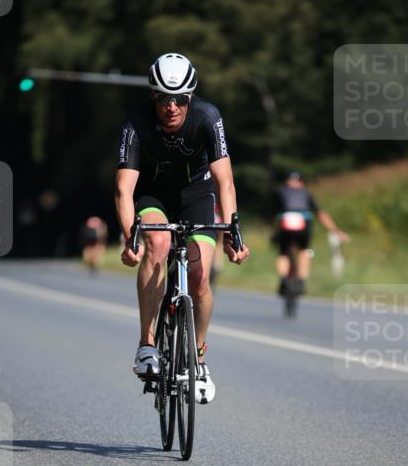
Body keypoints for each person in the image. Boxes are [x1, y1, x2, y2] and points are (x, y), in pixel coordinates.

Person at [115, 52, 249, 403]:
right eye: (163, 98)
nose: (171, 107)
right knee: (158, 244)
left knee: (200, 276)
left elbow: (225, 182)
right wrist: (131, 238)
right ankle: (147, 344)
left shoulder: (208, 116)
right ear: (153, 96)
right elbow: (124, 189)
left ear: (191, 97)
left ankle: (198, 359)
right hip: (153, 196)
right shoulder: (136, 121)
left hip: (197, 195)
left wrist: (233, 234)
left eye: (180, 99)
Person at [273, 171, 348, 296]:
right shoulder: (306, 193)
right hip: (304, 221)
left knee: (283, 252)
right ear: (302, 183)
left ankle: (284, 279)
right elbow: (320, 214)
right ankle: (301, 281)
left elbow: (274, 215)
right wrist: (335, 230)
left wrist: (274, 232)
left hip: (285, 221)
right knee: (304, 250)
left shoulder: (280, 192)